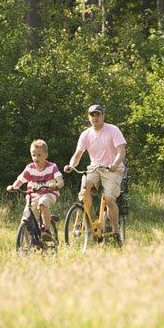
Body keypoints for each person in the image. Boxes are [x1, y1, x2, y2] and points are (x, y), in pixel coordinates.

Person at [64, 104, 127, 245]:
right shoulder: (86, 134)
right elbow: (78, 154)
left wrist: (115, 164)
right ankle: (87, 223)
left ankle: (116, 231)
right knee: (85, 189)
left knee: (109, 199)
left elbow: (121, 151)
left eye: (97, 114)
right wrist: (71, 165)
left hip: (112, 169)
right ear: (89, 117)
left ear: (103, 116)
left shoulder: (113, 130)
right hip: (94, 168)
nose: (95, 117)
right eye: (92, 115)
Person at [7, 139, 64, 241]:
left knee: (43, 203)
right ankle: (28, 247)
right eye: (33, 155)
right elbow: (19, 180)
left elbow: (61, 181)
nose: (35, 158)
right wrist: (13, 186)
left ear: (46, 155)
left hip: (49, 193)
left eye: (39, 155)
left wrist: (56, 185)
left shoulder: (52, 167)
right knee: (26, 219)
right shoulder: (30, 168)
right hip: (33, 196)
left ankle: (46, 231)